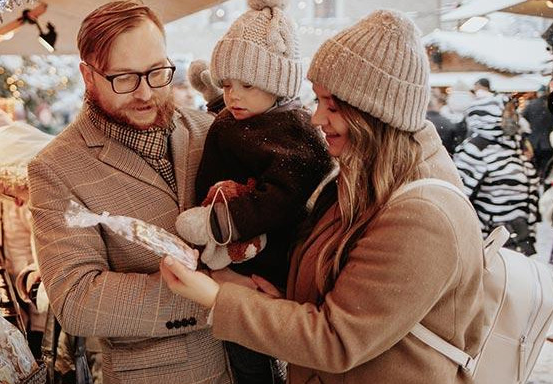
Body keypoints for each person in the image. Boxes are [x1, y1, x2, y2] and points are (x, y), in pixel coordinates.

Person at [159, 10, 486, 383]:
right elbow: (353, 299)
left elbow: (335, 339)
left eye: (331, 105)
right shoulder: (364, 173)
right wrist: (280, 299)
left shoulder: (423, 215)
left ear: (375, 113)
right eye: (316, 101)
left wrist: (217, 297)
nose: (315, 119)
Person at [26, 2, 231, 383]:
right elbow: (76, 298)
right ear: (88, 76)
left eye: (157, 72)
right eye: (124, 78)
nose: (145, 93)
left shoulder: (212, 130)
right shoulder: (56, 167)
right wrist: (221, 297)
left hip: (258, 364)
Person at [173, 0, 332, 382]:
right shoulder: (246, 116)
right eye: (227, 84)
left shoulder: (294, 133)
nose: (233, 96)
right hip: (232, 260)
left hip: (264, 266)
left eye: (247, 85)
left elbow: (281, 197)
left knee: (253, 358)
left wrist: (219, 223)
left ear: (278, 85)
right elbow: (237, 143)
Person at [455, 83, 540, 255]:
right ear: (490, 116)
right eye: (506, 113)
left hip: (520, 242)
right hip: (492, 246)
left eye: (513, 112)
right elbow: (458, 200)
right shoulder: (476, 149)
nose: (513, 118)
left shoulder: (513, 147)